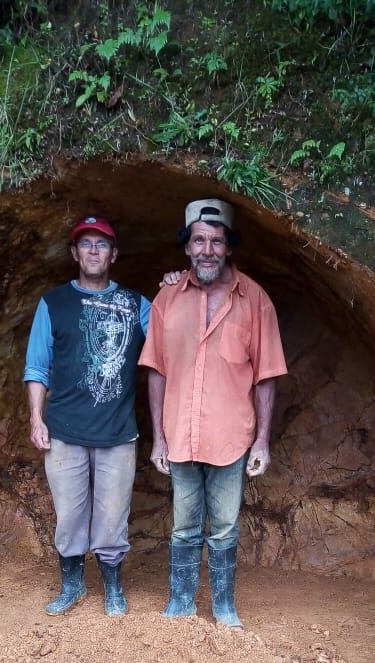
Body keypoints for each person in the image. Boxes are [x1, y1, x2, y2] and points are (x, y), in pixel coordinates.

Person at [139, 198, 287, 628]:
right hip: (181, 436)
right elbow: (156, 372)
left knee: (224, 526)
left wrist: (262, 439)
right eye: (199, 240)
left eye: (216, 241)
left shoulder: (255, 300)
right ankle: (180, 602)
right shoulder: (167, 299)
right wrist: (159, 439)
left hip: (231, 437)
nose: (207, 249)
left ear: (228, 247)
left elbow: (266, 375)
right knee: (184, 526)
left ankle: (223, 606)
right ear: (186, 247)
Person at [23, 216, 151, 617]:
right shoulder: (53, 303)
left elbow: (168, 342)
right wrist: (36, 418)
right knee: (70, 514)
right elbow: (37, 367)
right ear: (75, 253)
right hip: (64, 430)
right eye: (86, 244)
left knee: (113, 515)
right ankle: (73, 586)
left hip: (117, 431)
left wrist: (176, 286)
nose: (94, 250)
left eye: (102, 244)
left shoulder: (136, 304)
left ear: (114, 254)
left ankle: (113, 588)